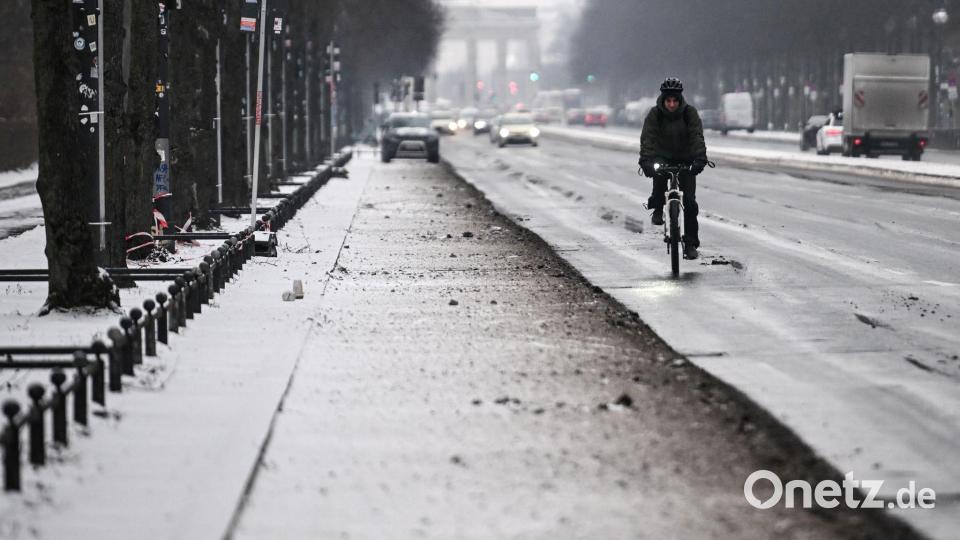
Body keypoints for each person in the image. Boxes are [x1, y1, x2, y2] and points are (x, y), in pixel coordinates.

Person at [638, 78, 709, 260]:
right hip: (662, 157)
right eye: (668, 101)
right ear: (663, 100)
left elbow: (696, 136)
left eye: (675, 101)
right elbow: (648, 138)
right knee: (658, 184)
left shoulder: (689, 113)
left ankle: (690, 243)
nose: (671, 104)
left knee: (690, 202)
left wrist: (700, 158)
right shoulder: (655, 114)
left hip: (685, 159)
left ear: (680, 100)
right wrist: (646, 160)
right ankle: (657, 207)